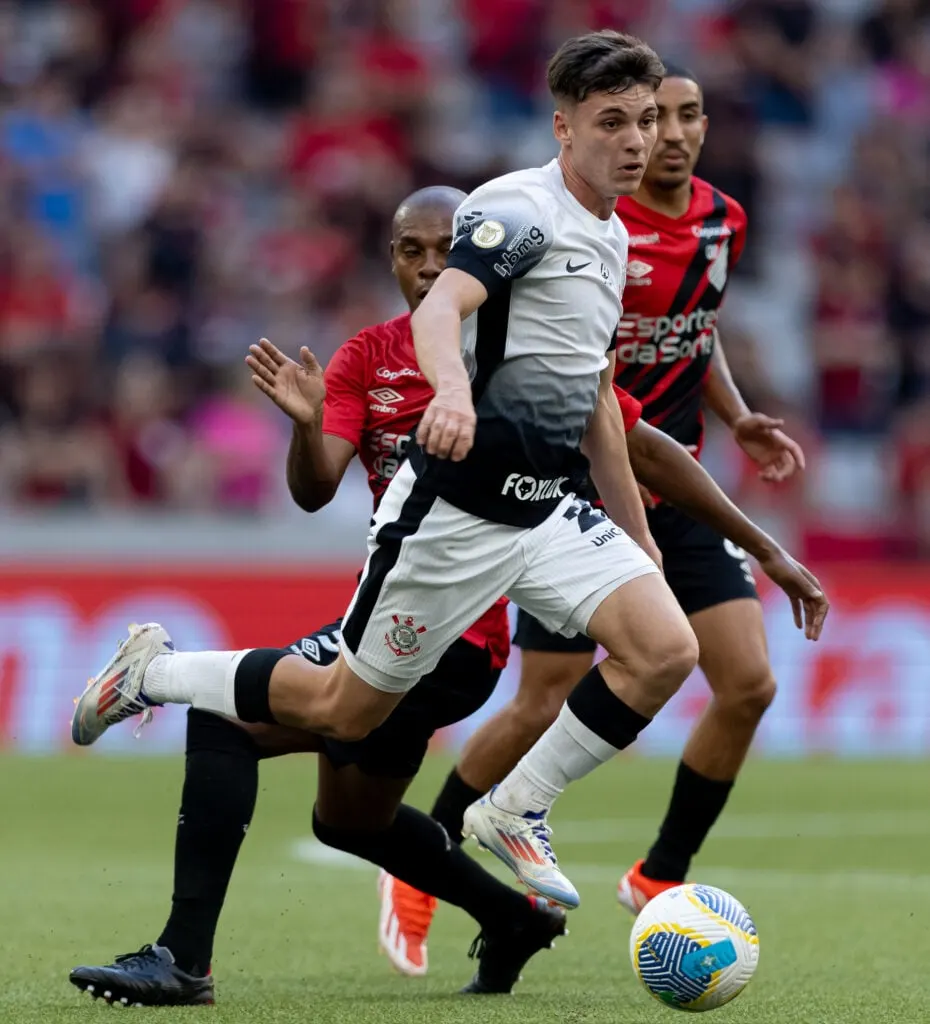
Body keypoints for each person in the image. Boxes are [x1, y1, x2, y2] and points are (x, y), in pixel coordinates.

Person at [72, 31, 824, 914]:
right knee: (341, 710)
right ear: (563, 127)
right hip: (454, 512)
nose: (637, 139)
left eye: (647, 119)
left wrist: (640, 538)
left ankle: (515, 809)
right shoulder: (519, 211)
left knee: (665, 648)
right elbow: (443, 308)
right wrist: (456, 394)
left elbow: (594, 404)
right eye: (613, 121)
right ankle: (153, 671)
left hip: (542, 512)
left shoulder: (612, 233)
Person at [68, 187, 567, 1006]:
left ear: (480, 254)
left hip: (457, 633)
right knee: (349, 821)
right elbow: (313, 489)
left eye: (448, 246)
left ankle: (183, 957)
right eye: (412, 249)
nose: (431, 264)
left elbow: (619, 435)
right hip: (391, 625)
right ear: (392, 259)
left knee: (224, 716)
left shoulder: (520, 358)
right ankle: (513, 921)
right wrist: (306, 426)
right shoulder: (366, 357)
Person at [455, 65, 817, 910]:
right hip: (587, 483)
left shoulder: (723, 220)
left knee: (749, 684)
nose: (676, 134)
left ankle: (658, 874)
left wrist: (736, 415)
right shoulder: (595, 232)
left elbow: (700, 328)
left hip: (678, 480)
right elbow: (599, 398)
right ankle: (433, 853)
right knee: (543, 698)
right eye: (659, 118)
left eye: (691, 116)